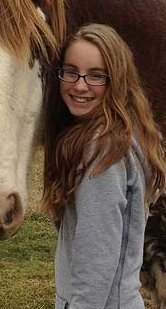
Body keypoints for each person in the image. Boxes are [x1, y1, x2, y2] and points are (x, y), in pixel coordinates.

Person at [42, 23, 166, 309]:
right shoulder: (127, 135)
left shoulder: (102, 152)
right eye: (71, 72)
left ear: (116, 80)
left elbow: (96, 260)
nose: (80, 85)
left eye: (96, 76)